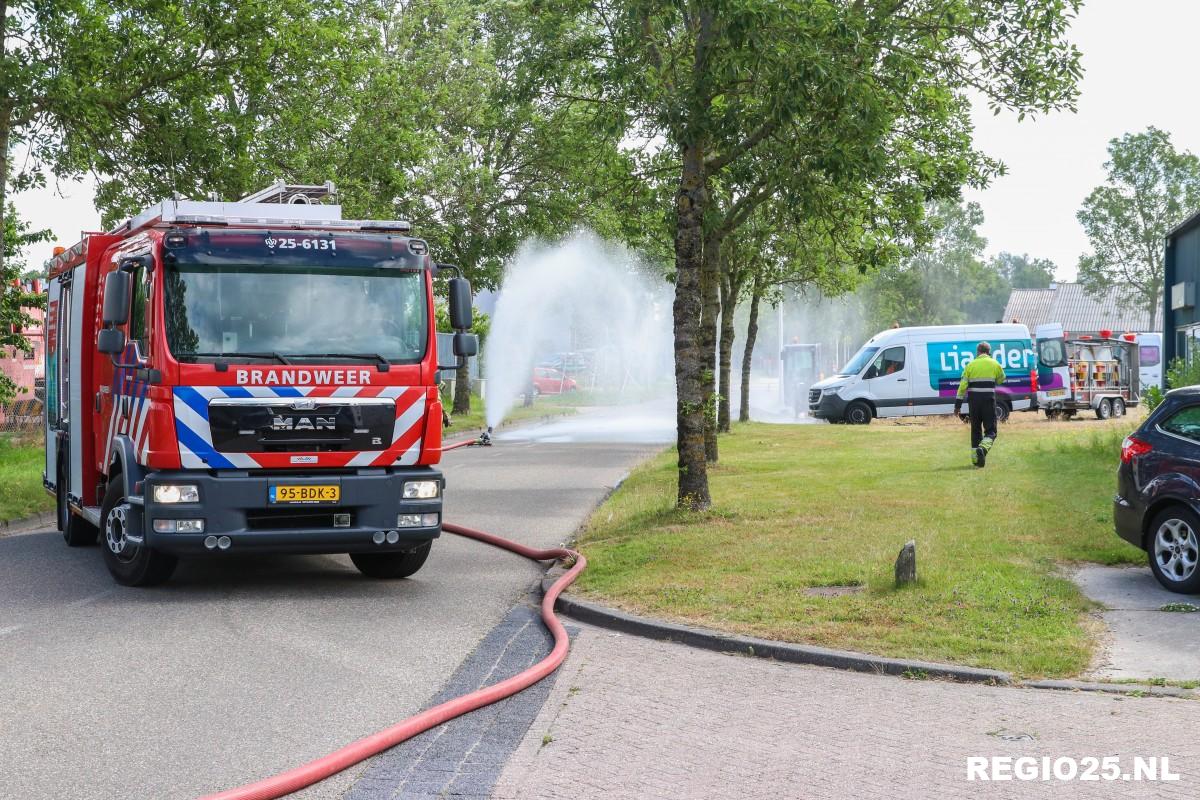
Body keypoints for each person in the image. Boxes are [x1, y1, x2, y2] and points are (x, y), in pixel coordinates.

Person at [954, 342, 1006, 468]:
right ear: (989, 352)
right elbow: (1001, 379)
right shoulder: (995, 364)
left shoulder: (970, 365)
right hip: (989, 401)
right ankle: (982, 448)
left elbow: (962, 387)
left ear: (978, 352)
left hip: (974, 403)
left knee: (975, 430)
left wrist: (957, 405)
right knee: (991, 431)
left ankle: (977, 461)